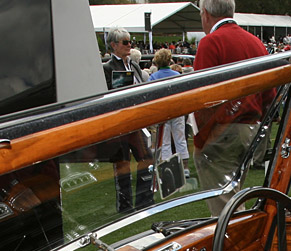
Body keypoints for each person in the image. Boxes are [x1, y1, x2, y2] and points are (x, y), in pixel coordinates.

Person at [193, 0, 270, 214]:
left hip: (224, 130)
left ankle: (232, 246)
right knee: (234, 197)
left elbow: (204, 99)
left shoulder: (211, 43)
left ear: (205, 14)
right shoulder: (255, 42)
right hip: (250, 129)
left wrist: (202, 139)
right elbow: (269, 94)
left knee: (224, 208)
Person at [103, 28, 154, 212]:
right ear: (114, 45)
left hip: (137, 121)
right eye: (125, 42)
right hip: (120, 124)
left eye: (129, 41)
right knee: (122, 164)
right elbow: (106, 96)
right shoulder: (108, 68)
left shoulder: (134, 65)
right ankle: (125, 205)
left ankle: (144, 199)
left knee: (147, 158)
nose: (129, 45)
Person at [149, 49, 190, 179]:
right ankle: (185, 168)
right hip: (177, 110)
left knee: (165, 141)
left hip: (162, 112)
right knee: (180, 139)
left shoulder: (153, 77)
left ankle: (167, 169)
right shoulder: (177, 74)